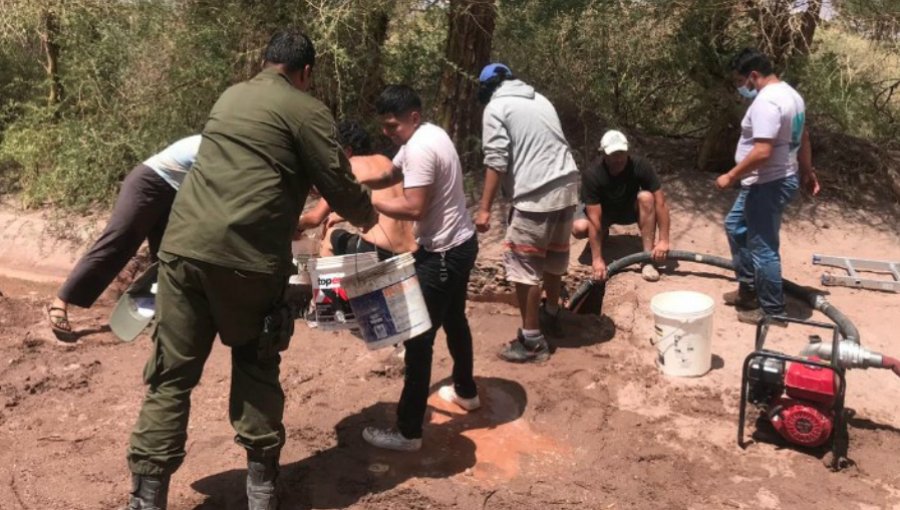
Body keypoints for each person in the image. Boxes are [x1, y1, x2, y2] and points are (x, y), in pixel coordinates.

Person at [123, 29, 377, 510]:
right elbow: (340, 185)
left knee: (171, 377)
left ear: (266, 62)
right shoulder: (308, 110)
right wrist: (368, 216)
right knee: (256, 362)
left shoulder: (231, 96)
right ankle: (261, 491)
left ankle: (146, 497)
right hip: (249, 263)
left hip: (182, 252)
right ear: (305, 72)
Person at [359, 85, 479, 452]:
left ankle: (408, 431)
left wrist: (370, 206)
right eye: (384, 126)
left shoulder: (422, 149)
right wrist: (358, 183)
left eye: (392, 126)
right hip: (461, 244)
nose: (387, 132)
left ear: (413, 116)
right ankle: (466, 392)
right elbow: (390, 175)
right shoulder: (425, 136)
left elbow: (414, 209)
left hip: (442, 255)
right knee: (455, 318)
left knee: (418, 338)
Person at [473, 63, 579, 363]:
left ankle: (532, 342)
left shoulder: (496, 107)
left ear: (487, 88)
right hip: (568, 185)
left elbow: (496, 160)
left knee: (524, 266)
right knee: (554, 258)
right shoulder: (539, 99)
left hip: (537, 194)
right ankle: (551, 315)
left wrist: (484, 210)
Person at [46, 135, 201, 341]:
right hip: (150, 182)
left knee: (169, 253)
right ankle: (60, 302)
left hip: (175, 193)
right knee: (118, 241)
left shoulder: (232, 148)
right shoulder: (214, 145)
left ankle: (165, 313)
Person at [716, 48, 820, 325]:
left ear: (753, 75)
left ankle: (773, 310)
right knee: (735, 225)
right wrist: (807, 171)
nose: (740, 88)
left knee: (763, 247)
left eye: (741, 82)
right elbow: (804, 137)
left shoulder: (767, 102)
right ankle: (748, 289)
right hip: (771, 178)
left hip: (769, 182)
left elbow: (762, 151)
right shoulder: (791, 95)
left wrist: (731, 175)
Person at [297, 120, 417, 260]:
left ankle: (326, 281)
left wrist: (295, 227)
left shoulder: (349, 167)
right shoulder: (385, 161)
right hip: (409, 251)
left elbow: (314, 218)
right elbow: (380, 202)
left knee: (331, 236)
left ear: (347, 151)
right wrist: (340, 215)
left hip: (378, 249)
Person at [572, 130, 671, 282]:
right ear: (603, 153)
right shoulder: (593, 174)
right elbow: (594, 218)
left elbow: (661, 203)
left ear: (627, 151)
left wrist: (664, 240)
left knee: (646, 198)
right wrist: (597, 259)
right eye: (613, 154)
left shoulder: (640, 165)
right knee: (579, 228)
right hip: (602, 212)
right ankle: (601, 235)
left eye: (621, 153)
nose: (618, 159)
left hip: (626, 208)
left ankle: (647, 259)